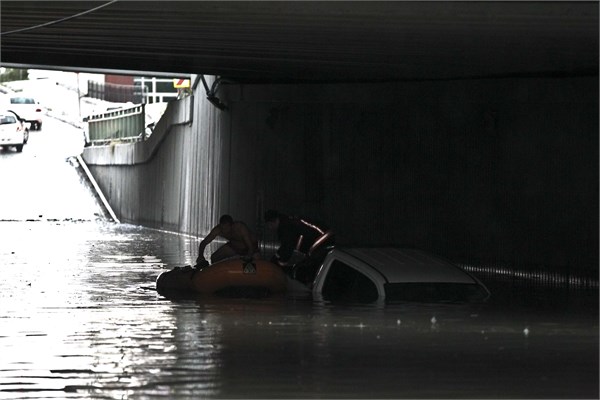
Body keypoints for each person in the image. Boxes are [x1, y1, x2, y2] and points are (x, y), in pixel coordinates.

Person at [264, 209, 335, 283]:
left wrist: (278, 264)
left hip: (323, 241)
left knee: (314, 269)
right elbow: (285, 247)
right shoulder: (286, 223)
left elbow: (287, 248)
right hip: (322, 241)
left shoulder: (286, 227)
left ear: (273, 221)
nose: (270, 228)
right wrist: (276, 259)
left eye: (269, 225)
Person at [195, 214, 260, 267]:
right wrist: (200, 255)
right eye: (222, 228)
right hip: (235, 246)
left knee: (256, 262)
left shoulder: (240, 228)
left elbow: (250, 246)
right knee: (214, 258)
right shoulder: (218, 230)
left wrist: (249, 256)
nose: (224, 230)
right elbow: (204, 242)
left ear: (231, 225)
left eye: (226, 228)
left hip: (251, 247)